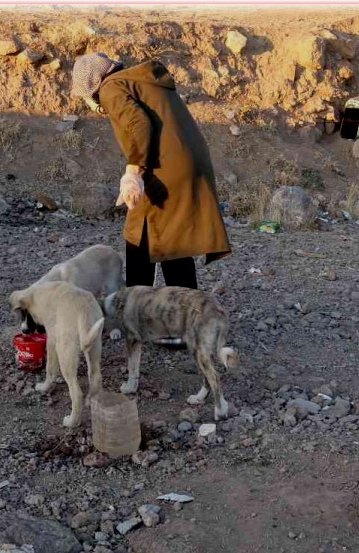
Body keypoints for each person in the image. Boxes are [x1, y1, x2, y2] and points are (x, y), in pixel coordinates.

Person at [71, 53, 231, 346]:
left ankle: (154, 321)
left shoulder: (111, 87)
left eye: (89, 97)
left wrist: (133, 170)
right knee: (166, 240)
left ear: (93, 85)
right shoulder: (141, 80)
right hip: (185, 162)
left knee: (144, 238)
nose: (94, 104)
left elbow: (139, 124)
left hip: (164, 168)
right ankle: (168, 319)